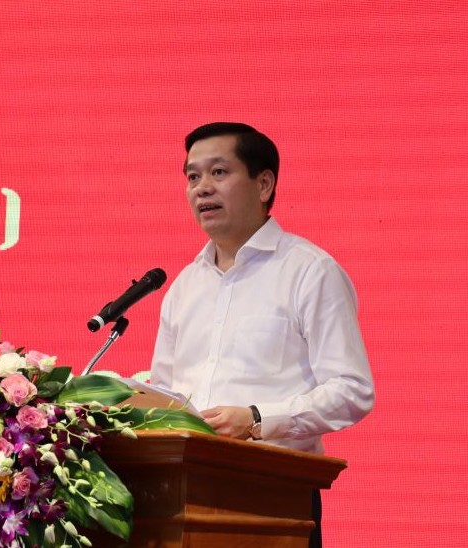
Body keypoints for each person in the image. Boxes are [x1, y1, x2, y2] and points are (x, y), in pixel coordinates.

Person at [150, 122, 375, 548]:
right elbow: (166, 392)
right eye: (193, 177)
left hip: (274, 497)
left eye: (219, 172)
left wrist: (256, 420)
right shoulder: (184, 286)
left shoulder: (309, 271)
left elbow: (352, 390)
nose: (202, 188)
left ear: (264, 183)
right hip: (183, 495)